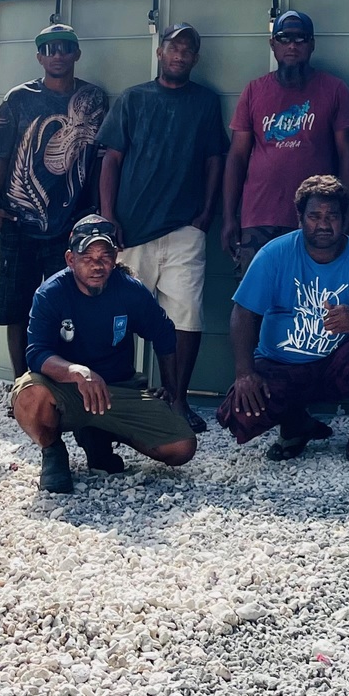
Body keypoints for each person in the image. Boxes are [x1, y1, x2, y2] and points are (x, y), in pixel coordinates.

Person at [216, 176, 349, 473]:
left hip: (336, 365)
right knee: (238, 415)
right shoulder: (274, 254)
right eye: (315, 216)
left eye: (332, 216)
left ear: (344, 219)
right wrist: (244, 373)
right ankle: (297, 425)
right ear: (300, 219)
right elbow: (243, 312)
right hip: (281, 364)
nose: (324, 225)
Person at [96, 23, 229, 431]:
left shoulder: (206, 102)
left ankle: (177, 400)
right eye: (173, 47)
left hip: (184, 229)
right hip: (131, 230)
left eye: (188, 49)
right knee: (118, 317)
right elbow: (111, 159)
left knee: (185, 316)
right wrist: (108, 218)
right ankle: (116, 400)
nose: (180, 55)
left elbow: (214, 160)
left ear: (195, 58)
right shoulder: (133, 99)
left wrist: (207, 211)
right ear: (160, 52)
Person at [14, 215, 197, 493]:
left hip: (117, 390)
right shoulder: (50, 293)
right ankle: (53, 452)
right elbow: (36, 353)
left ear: (115, 257)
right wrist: (75, 372)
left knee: (181, 447)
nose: (97, 264)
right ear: (70, 259)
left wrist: (172, 392)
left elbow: (164, 334)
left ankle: (100, 434)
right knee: (28, 394)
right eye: (86, 256)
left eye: (105, 255)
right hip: (66, 389)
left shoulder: (131, 290)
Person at [0, 24, 109, 379]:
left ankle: (62, 378)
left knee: (68, 305)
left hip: (72, 226)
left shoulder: (95, 99)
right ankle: (22, 381)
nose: (58, 54)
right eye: (50, 48)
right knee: (16, 305)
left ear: (76, 54)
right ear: (39, 56)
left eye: (65, 47)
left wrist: (98, 212)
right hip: (20, 222)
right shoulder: (18, 98)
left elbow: (100, 159)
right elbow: (1, 156)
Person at [221, 10, 349, 275]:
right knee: (255, 304)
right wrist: (228, 217)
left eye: (300, 39)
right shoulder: (254, 91)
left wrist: (346, 214)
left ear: (312, 44)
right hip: (259, 217)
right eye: (284, 39)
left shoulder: (334, 89)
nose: (292, 45)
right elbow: (236, 157)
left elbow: (347, 159)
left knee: (309, 301)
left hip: (318, 219)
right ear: (273, 45)